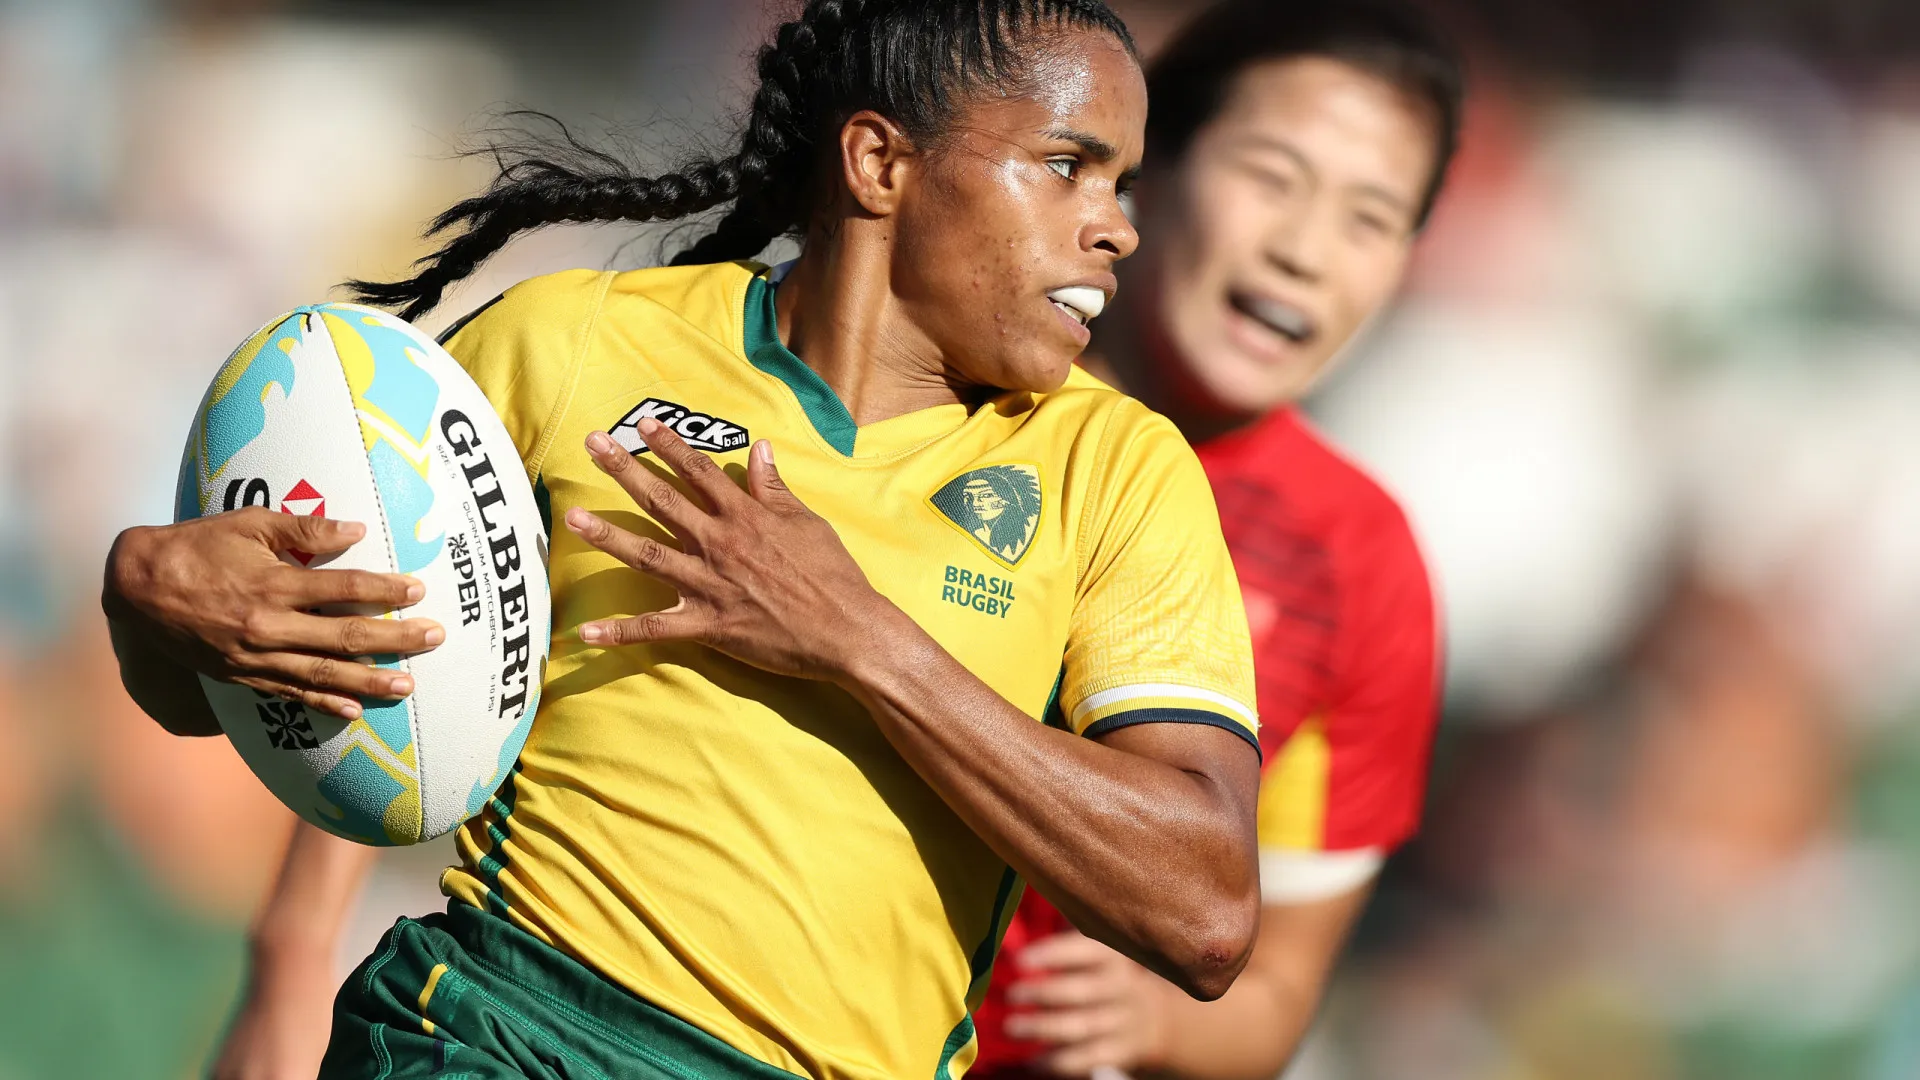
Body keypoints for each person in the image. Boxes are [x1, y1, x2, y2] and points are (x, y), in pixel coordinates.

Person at [101, 2, 1268, 1078]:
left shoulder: (1120, 470)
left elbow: (1207, 914)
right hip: (503, 1030)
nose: (1118, 228)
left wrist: (859, 637)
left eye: (1124, 184)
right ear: (879, 162)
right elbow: (275, 695)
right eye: (1068, 167)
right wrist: (151, 607)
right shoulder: (570, 344)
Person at [968, 1, 1459, 1076]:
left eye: (1371, 218)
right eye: (1272, 177)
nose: (1303, 250)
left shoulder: (1364, 562)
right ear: (1151, 168)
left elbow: (1276, 991)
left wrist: (1162, 1024)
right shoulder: (950, 388)